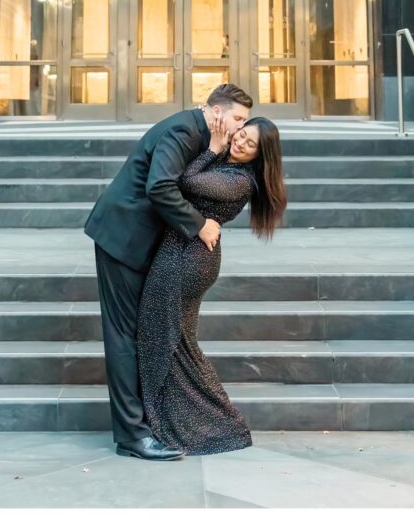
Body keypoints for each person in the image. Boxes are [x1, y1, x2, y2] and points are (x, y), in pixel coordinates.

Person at [78, 83, 254, 460]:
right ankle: (132, 437)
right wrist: (199, 224)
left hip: (140, 243)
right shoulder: (184, 129)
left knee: (137, 333)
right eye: (238, 118)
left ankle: (148, 425)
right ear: (217, 111)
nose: (240, 128)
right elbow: (160, 186)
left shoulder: (203, 136)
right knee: (124, 336)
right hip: (121, 237)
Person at [139, 110, 286, 456]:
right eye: (242, 134)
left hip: (188, 259)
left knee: (172, 340)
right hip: (182, 252)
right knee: (171, 339)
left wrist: (213, 146)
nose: (240, 142)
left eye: (250, 144)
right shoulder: (225, 162)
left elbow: (187, 182)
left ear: (259, 156)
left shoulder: (241, 181)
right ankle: (181, 421)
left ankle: (218, 427)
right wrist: (216, 146)